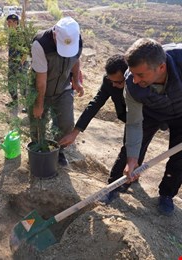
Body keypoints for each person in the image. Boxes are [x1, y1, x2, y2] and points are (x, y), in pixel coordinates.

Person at [59, 55, 161, 197]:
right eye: (111, 81)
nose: (114, 85)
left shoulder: (142, 82)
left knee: (131, 147)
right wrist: (75, 131)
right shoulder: (109, 81)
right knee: (136, 146)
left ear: (129, 75)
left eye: (118, 82)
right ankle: (131, 176)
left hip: (148, 117)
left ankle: (114, 187)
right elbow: (95, 103)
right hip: (129, 116)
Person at [123, 38, 182, 217]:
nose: (135, 79)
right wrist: (132, 158)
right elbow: (133, 123)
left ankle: (166, 194)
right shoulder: (133, 84)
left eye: (140, 75)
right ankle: (117, 186)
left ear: (161, 68)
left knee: (179, 159)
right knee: (129, 153)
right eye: (133, 73)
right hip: (150, 111)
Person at [29, 16, 83, 166]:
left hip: (63, 89)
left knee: (66, 124)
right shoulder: (40, 44)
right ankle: (38, 149)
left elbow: (76, 59)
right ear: (54, 34)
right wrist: (39, 104)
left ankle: (59, 151)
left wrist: (76, 81)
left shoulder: (77, 40)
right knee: (38, 123)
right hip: (40, 89)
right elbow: (41, 80)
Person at [6, 14, 29, 112]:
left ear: (16, 22)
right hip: (12, 63)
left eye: (10, 22)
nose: (8, 24)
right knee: (11, 82)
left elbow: (26, 49)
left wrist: (22, 63)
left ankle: (28, 106)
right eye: (8, 22)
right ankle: (15, 101)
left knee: (23, 84)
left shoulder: (21, 34)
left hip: (21, 64)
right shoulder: (12, 34)